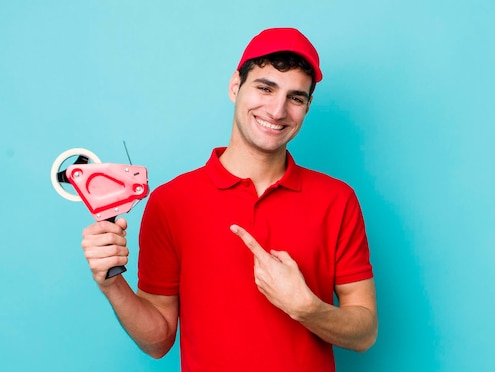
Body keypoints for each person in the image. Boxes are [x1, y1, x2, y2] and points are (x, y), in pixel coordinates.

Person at [81, 27, 378, 371]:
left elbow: (365, 332)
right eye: (265, 88)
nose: (277, 110)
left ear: (307, 107)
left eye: (296, 98)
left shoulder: (337, 200)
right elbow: (158, 341)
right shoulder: (171, 202)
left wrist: (306, 308)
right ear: (235, 86)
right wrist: (113, 285)